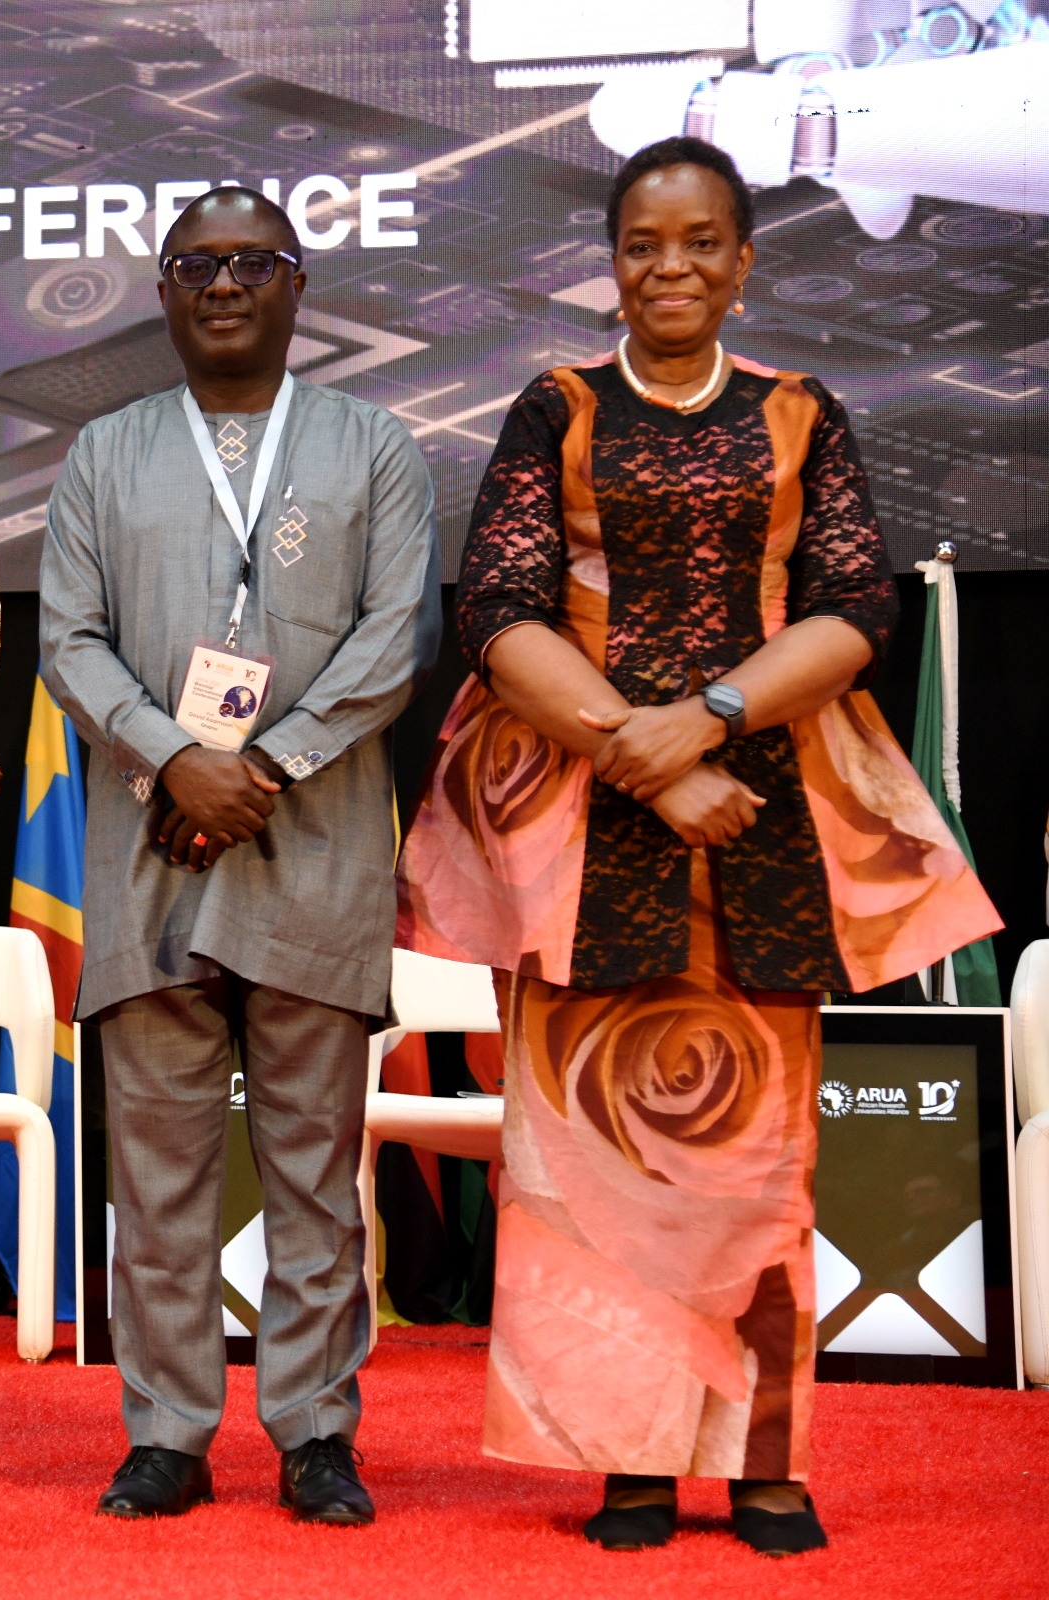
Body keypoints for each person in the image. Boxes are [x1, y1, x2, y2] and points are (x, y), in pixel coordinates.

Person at [397, 136, 1002, 1556]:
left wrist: (716, 716)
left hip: (767, 821)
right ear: (612, 261)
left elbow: (857, 604)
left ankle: (767, 1459)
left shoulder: (804, 413)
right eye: (642, 245)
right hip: (581, 821)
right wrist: (647, 760)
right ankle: (631, 1461)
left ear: (742, 260)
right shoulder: (556, 408)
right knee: (580, 1166)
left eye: (700, 243)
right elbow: (494, 609)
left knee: (755, 1155)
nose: (670, 268)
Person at [38, 186, 440, 1525]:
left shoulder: (374, 444)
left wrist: (262, 766)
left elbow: (396, 638)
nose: (223, 285)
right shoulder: (102, 453)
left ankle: (317, 1429)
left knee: (316, 1171)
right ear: (159, 290)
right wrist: (177, 757)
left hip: (313, 848)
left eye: (250, 263)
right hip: (153, 850)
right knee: (156, 1176)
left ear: (296, 283)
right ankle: (165, 1431)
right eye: (196, 265)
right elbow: (70, 641)